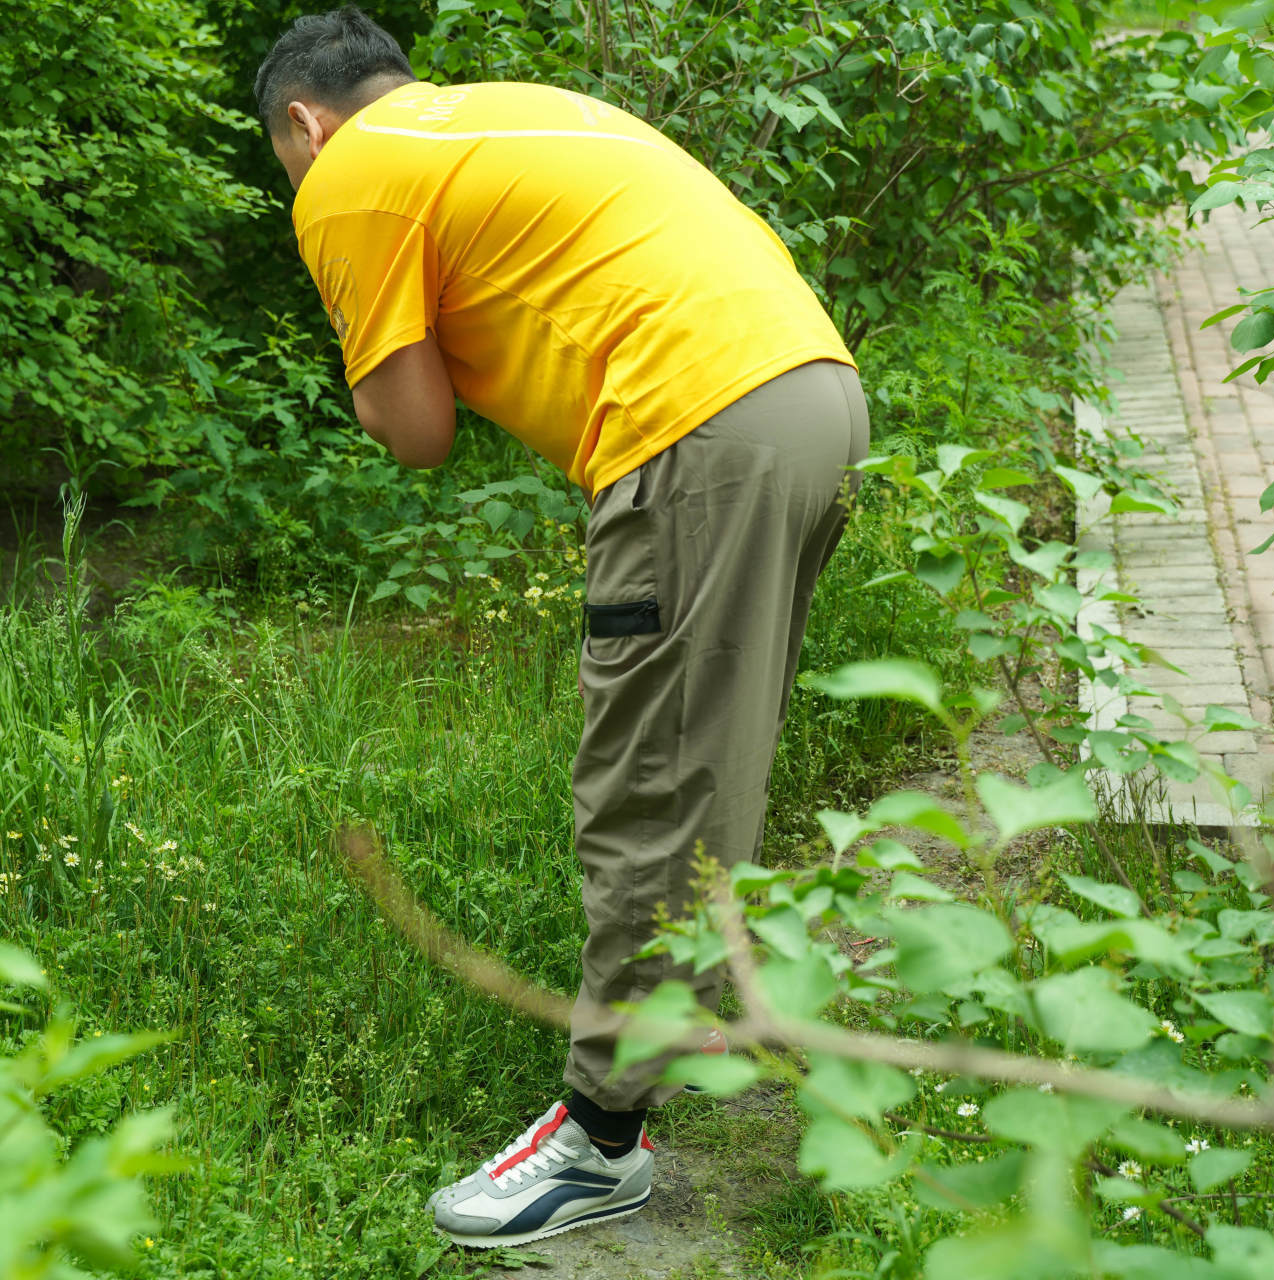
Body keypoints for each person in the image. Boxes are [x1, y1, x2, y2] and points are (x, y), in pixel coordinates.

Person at [253, 5, 869, 1250]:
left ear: (306, 124)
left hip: (698, 425)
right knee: (705, 764)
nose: (300, 193)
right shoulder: (490, 113)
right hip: (813, 392)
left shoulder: (354, 176)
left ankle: (599, 1140)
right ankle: (713, 1023)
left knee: (643, 785)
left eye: (287, 168)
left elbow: (414, 430)